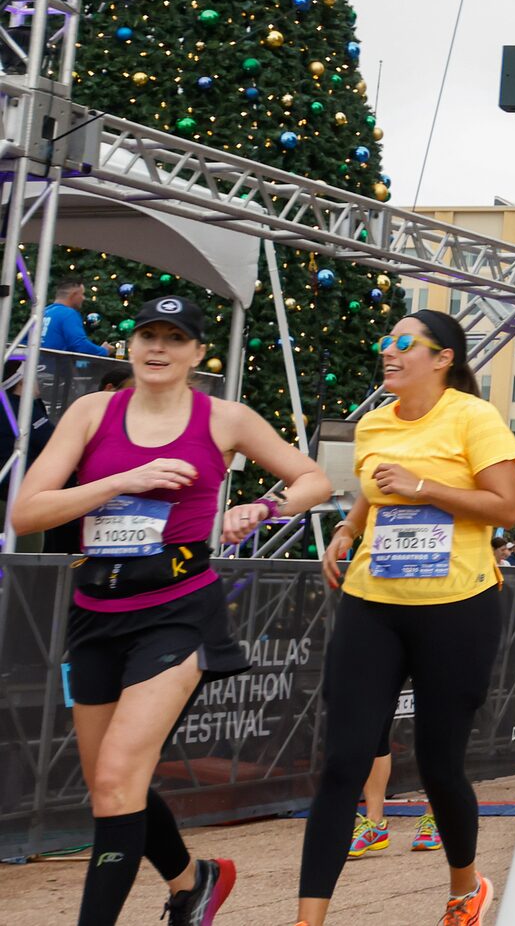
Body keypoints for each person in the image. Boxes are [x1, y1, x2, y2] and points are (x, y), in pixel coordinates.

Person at [9, 290, 329, 926]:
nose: (158, 347)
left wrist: (260, 509)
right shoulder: (92, 412)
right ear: (130, 346)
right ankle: (194, 880)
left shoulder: (225, 419)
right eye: (148, 335)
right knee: (110, 783)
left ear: (197, 352)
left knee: (117, 779)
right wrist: (118, 482)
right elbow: (25, 510)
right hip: (94, 606)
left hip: (177, 609)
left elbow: (313, 479)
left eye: (174, 338)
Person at [300, 308, 515, 926]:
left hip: (458, 606)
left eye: (404, 343)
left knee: (439, 764)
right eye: (385, 342)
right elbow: (373, 492)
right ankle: (307, 919)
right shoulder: (372, 423)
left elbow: (506, 508)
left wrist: (426, 486)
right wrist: (347, 528)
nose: (389, 351)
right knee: (344, 759)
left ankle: (464, 889)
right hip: (374, 602)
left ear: (442, 357)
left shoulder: (473, 417)